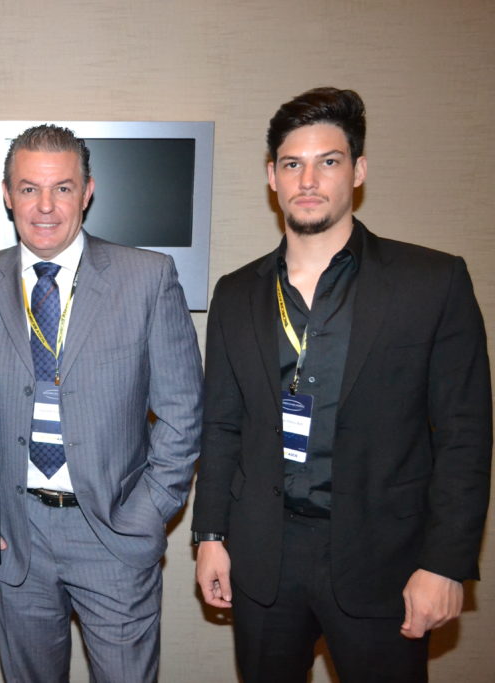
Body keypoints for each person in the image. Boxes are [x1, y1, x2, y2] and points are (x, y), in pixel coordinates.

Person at [192, 87, 492, 682]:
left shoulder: (432, 281)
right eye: (292, 164)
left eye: (327, 161)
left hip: (385, 559)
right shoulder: (237, 292)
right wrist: (210, 535)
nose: (308, 180)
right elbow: (222, 425)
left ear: (357, 171)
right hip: (264, 558)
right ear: (272, 177)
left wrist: (445, 563)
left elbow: (465, 434)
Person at [0, 124, 203, 681]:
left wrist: (146, 514)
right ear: (7, 194)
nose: (45, 206)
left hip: (113, 532)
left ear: (87, 192)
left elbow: (183, 411)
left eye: (62, 188)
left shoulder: (147, 277)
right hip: (15, 536)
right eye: (29, 189)